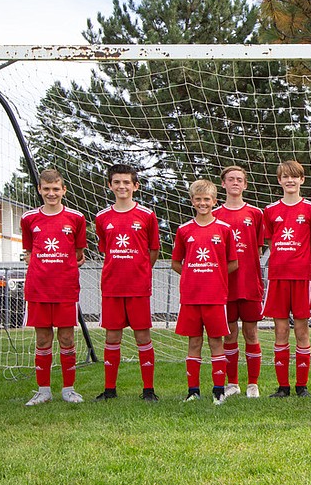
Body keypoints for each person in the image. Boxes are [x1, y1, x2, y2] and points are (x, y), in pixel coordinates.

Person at [94, 163, 160, 402]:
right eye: (117, 182)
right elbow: (105, 249)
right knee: (112, 337)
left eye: (126, 182)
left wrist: (140, 270)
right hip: (112, 286)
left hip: (138, 287)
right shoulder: (102, 217)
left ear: (135, 186)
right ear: (110, 185)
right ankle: (110, 390)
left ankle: (149, 390)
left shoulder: (147, 215)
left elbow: (153, 250)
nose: (122, 186)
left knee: (143, 337)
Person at [22, 169, 88, 406]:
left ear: (63, 190)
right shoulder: (29, 219)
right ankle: (43, 391)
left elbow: (79, 253)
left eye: (56, 189)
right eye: (47, 189)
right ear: (39, 190)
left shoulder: (76, 218)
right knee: (42, 340)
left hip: (65, 288)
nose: (51, 194)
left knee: (67, 338)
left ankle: (69, 389)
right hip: (38, 288)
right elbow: (29, 253)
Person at [171, 179, 239, 404]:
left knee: (216, 341)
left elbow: (232, 263)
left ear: (214, 201)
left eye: (206, 199)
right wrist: (193, 276)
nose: (202, 203)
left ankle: (219, 390)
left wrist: (214, 276)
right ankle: (193, 391)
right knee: (194, 342)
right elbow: (176, 262)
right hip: (191, 297)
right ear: (192, 201)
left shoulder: (224, 229)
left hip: (215, 296)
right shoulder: (184, 230)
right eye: (198, 199)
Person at [262, 160, 311, 398]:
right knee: (280, 330)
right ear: (279, 181)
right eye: (285, 176)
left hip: (301, 277)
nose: (289, 180)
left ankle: (302, 386)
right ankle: (283, 386)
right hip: (278, 276)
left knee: (302, 329)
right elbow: (270, 241)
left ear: (301, 180)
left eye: (294, 177)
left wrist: (302, 261)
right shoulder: (270, 211)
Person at [213, 165, 266, 399]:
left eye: (239, 180)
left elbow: (259, 246)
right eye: (230, 179)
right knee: (229, 334)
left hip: (249, 282)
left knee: (251, 333)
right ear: (223, 184)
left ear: (245, 185)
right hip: (224, 286)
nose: (235, 183)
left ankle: (252, 384)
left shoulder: (255, 214)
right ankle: (232, 383)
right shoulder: (214, 215)